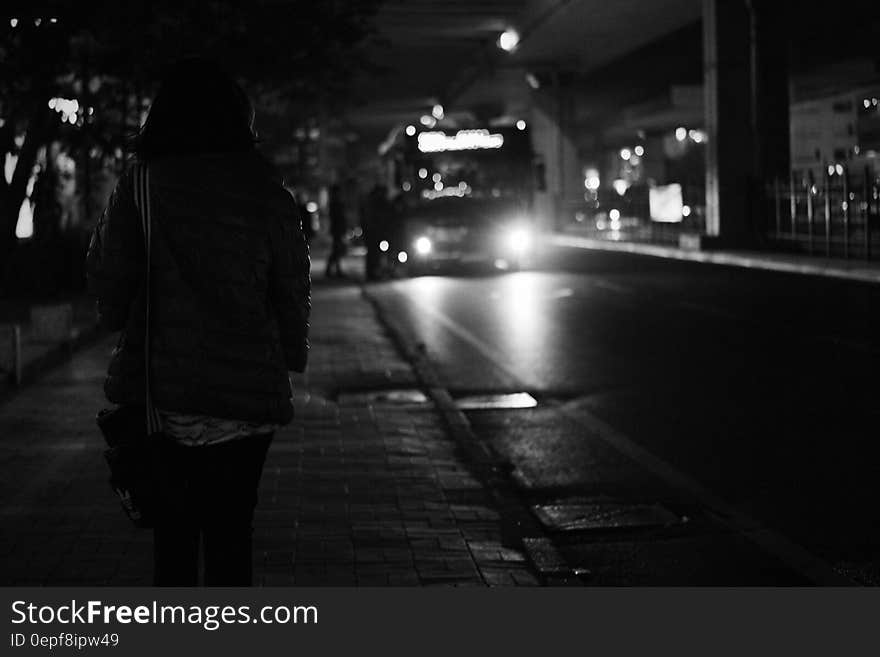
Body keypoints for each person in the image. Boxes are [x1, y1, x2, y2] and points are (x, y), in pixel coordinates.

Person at [86, 58, 310, 586]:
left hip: (166, 394)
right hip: (247, 394)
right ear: (240, 119)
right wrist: (290, 352)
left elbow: (105, 269)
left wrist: (117, 315)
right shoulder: (266, 190)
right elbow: (292, 284)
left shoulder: (140, 185)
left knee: (175, 538)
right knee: (233, 536)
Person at [325, 183, 346, 278]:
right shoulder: (335, 204)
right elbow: (338, 218)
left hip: (338, 230)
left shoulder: (336, 203)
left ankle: (335, 269)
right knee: (337, 250)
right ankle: (332, 270)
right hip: (337, 230)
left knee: (337, 250)